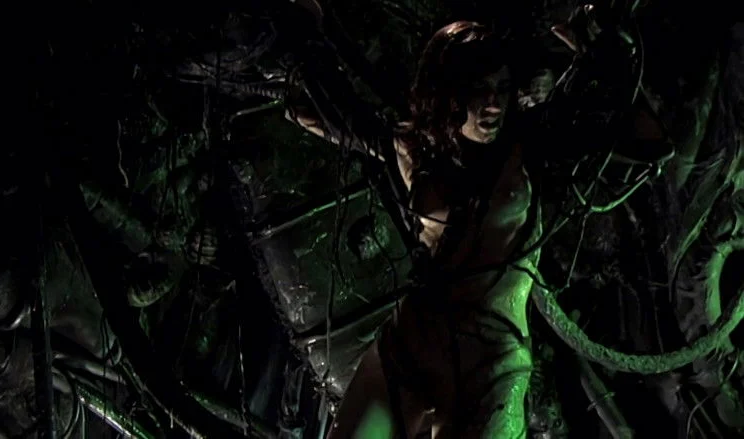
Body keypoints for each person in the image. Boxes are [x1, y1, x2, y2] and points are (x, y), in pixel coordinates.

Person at [285, 8, 669, 438]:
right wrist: (302, 40)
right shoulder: (416, 146)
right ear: (449, 92)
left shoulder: (528, 146)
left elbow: (649, 140)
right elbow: (329, 116)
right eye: (479, 89)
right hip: (414, 341)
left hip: (489, 365)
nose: (493, 103)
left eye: (502, 88)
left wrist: (606, 56)